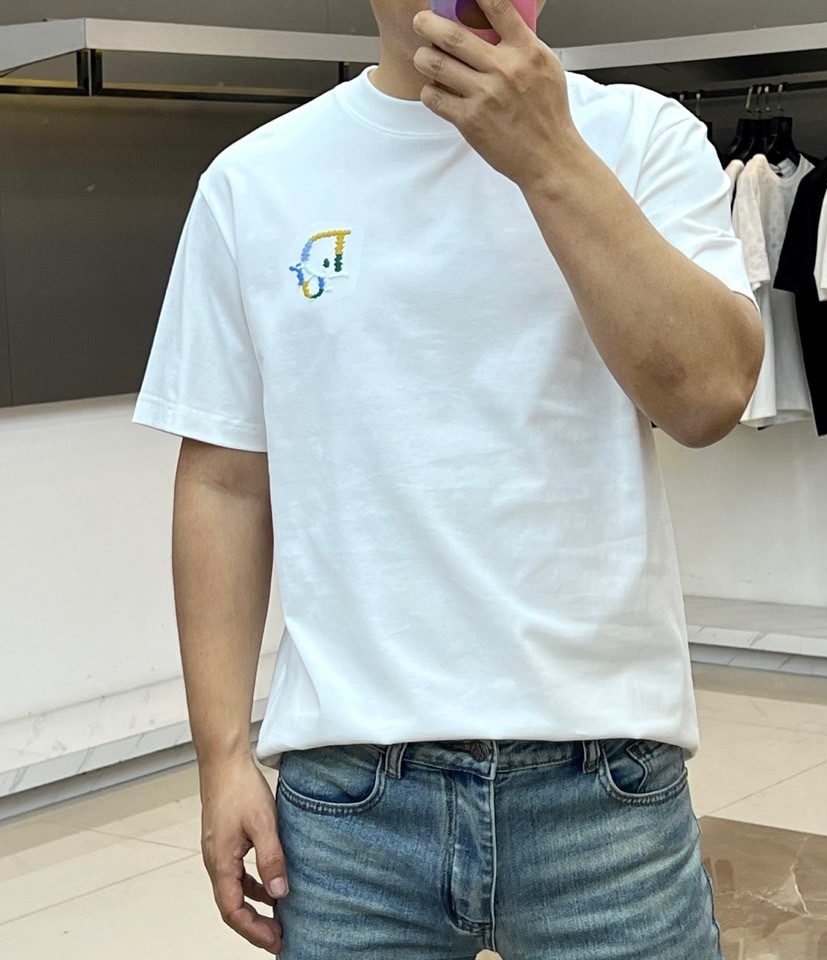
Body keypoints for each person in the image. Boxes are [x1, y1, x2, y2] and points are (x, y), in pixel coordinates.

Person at [132, 0, 763, 957]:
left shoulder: (642, 139)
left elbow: (709, 397)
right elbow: (225, 482)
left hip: (605, 782)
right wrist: (221, 757)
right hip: (350, 800)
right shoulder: (254, 182)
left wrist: (547, 158)